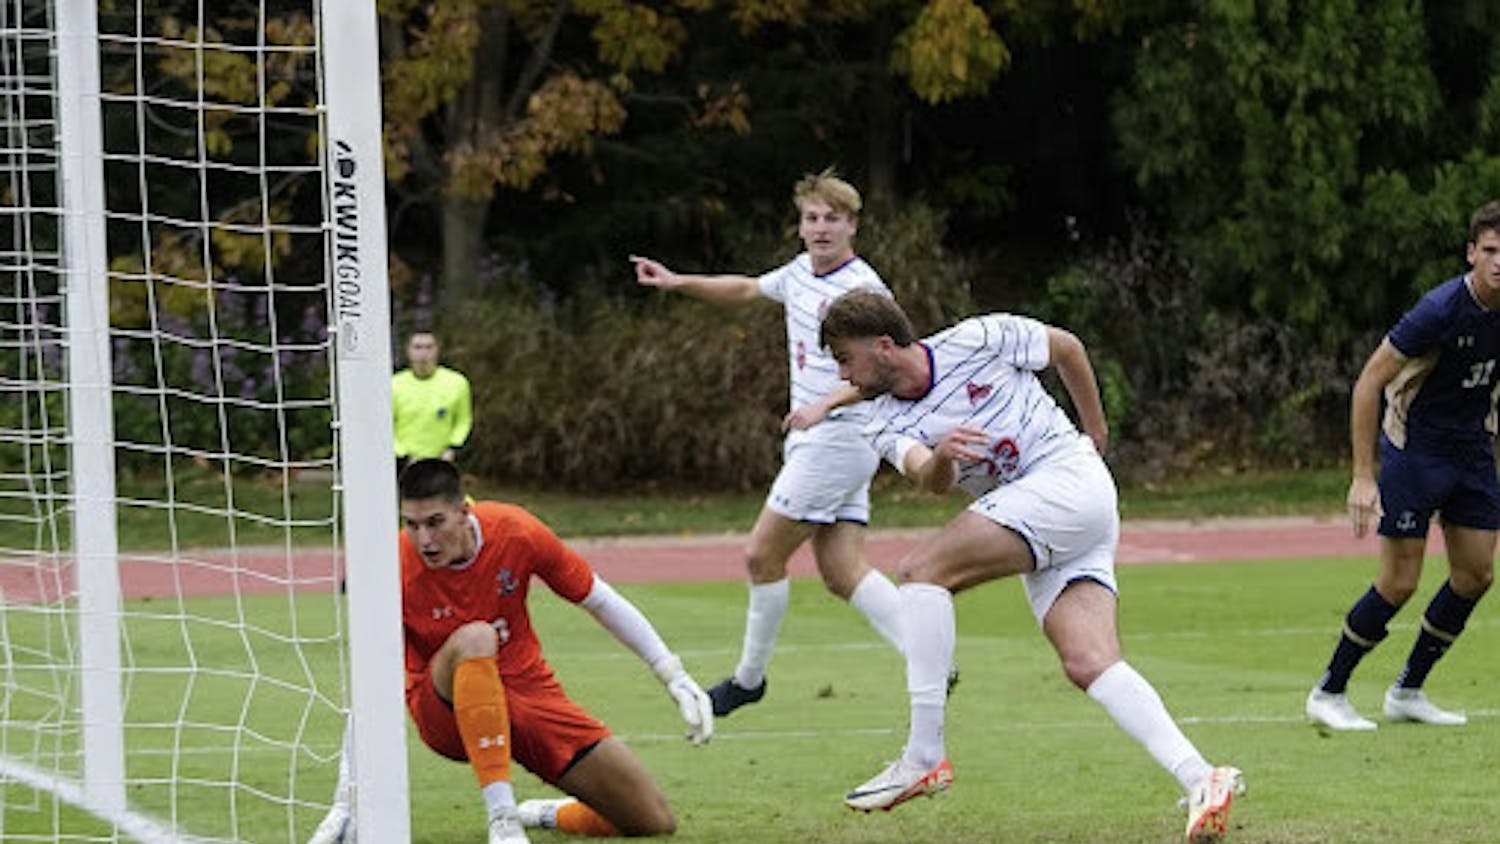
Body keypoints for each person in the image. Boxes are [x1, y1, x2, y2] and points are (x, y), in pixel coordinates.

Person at [815, 291, 1243, 844]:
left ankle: (922, 757)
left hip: (1066, 479)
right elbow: (929, 476)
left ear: (883, 346)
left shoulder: (979, 338)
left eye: (845, 359)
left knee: (923, 572)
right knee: (1089, 661)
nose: (841, 375)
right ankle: (1201, 777)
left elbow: (1066, 348)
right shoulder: (876, 418)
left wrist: (1096, 432)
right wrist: (942, 454)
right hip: (1041, 514)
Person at [310, 459, 713, 844]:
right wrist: (346, 800)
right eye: (411, 525)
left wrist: (672, 674)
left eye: (436, 523)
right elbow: (370, 679)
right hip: (443, 712)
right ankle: (501, 818)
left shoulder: (516, 532)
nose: (425, 540)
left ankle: (539, 813)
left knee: (651, 820)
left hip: (529, 695)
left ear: (464, 512)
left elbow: (599, 599)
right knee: (477, 638)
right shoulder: (391, 564)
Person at [629, 169, 909, 717]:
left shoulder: (866, 290)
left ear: (852, 225)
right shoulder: (800, 271)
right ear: (801, 226)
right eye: (812, 218)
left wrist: (824, 405)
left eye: (833, 218)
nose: (821, 227)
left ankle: (749, 680)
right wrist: (677, 281)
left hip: (840, 437)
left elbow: (890, 369)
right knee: (842, 571)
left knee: (761, 555)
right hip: (817, 439)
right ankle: (929, 658)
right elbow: (747, 288)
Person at [1305, 201, 1500, 731]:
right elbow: (1370, 380)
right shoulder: (1438, 310)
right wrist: (1364, 476)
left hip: (1473, 452)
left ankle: (1408, 690)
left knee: (1476, 574)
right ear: (1471, 253)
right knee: (1399, 582)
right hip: (1415, 451)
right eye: (1490, 250)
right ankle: (1329, 690)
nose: (1499, 261)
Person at [392, 331, 473, 473]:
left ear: (437, 350)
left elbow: (463, 420)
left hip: (444, 461)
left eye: (429, 347)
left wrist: (452, 448)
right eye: (417, 347)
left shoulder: (457, 382)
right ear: (408, 351)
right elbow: (386, 426)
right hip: (404, 464)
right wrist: (403, 455)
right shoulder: (393, 385)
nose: (423, 353)